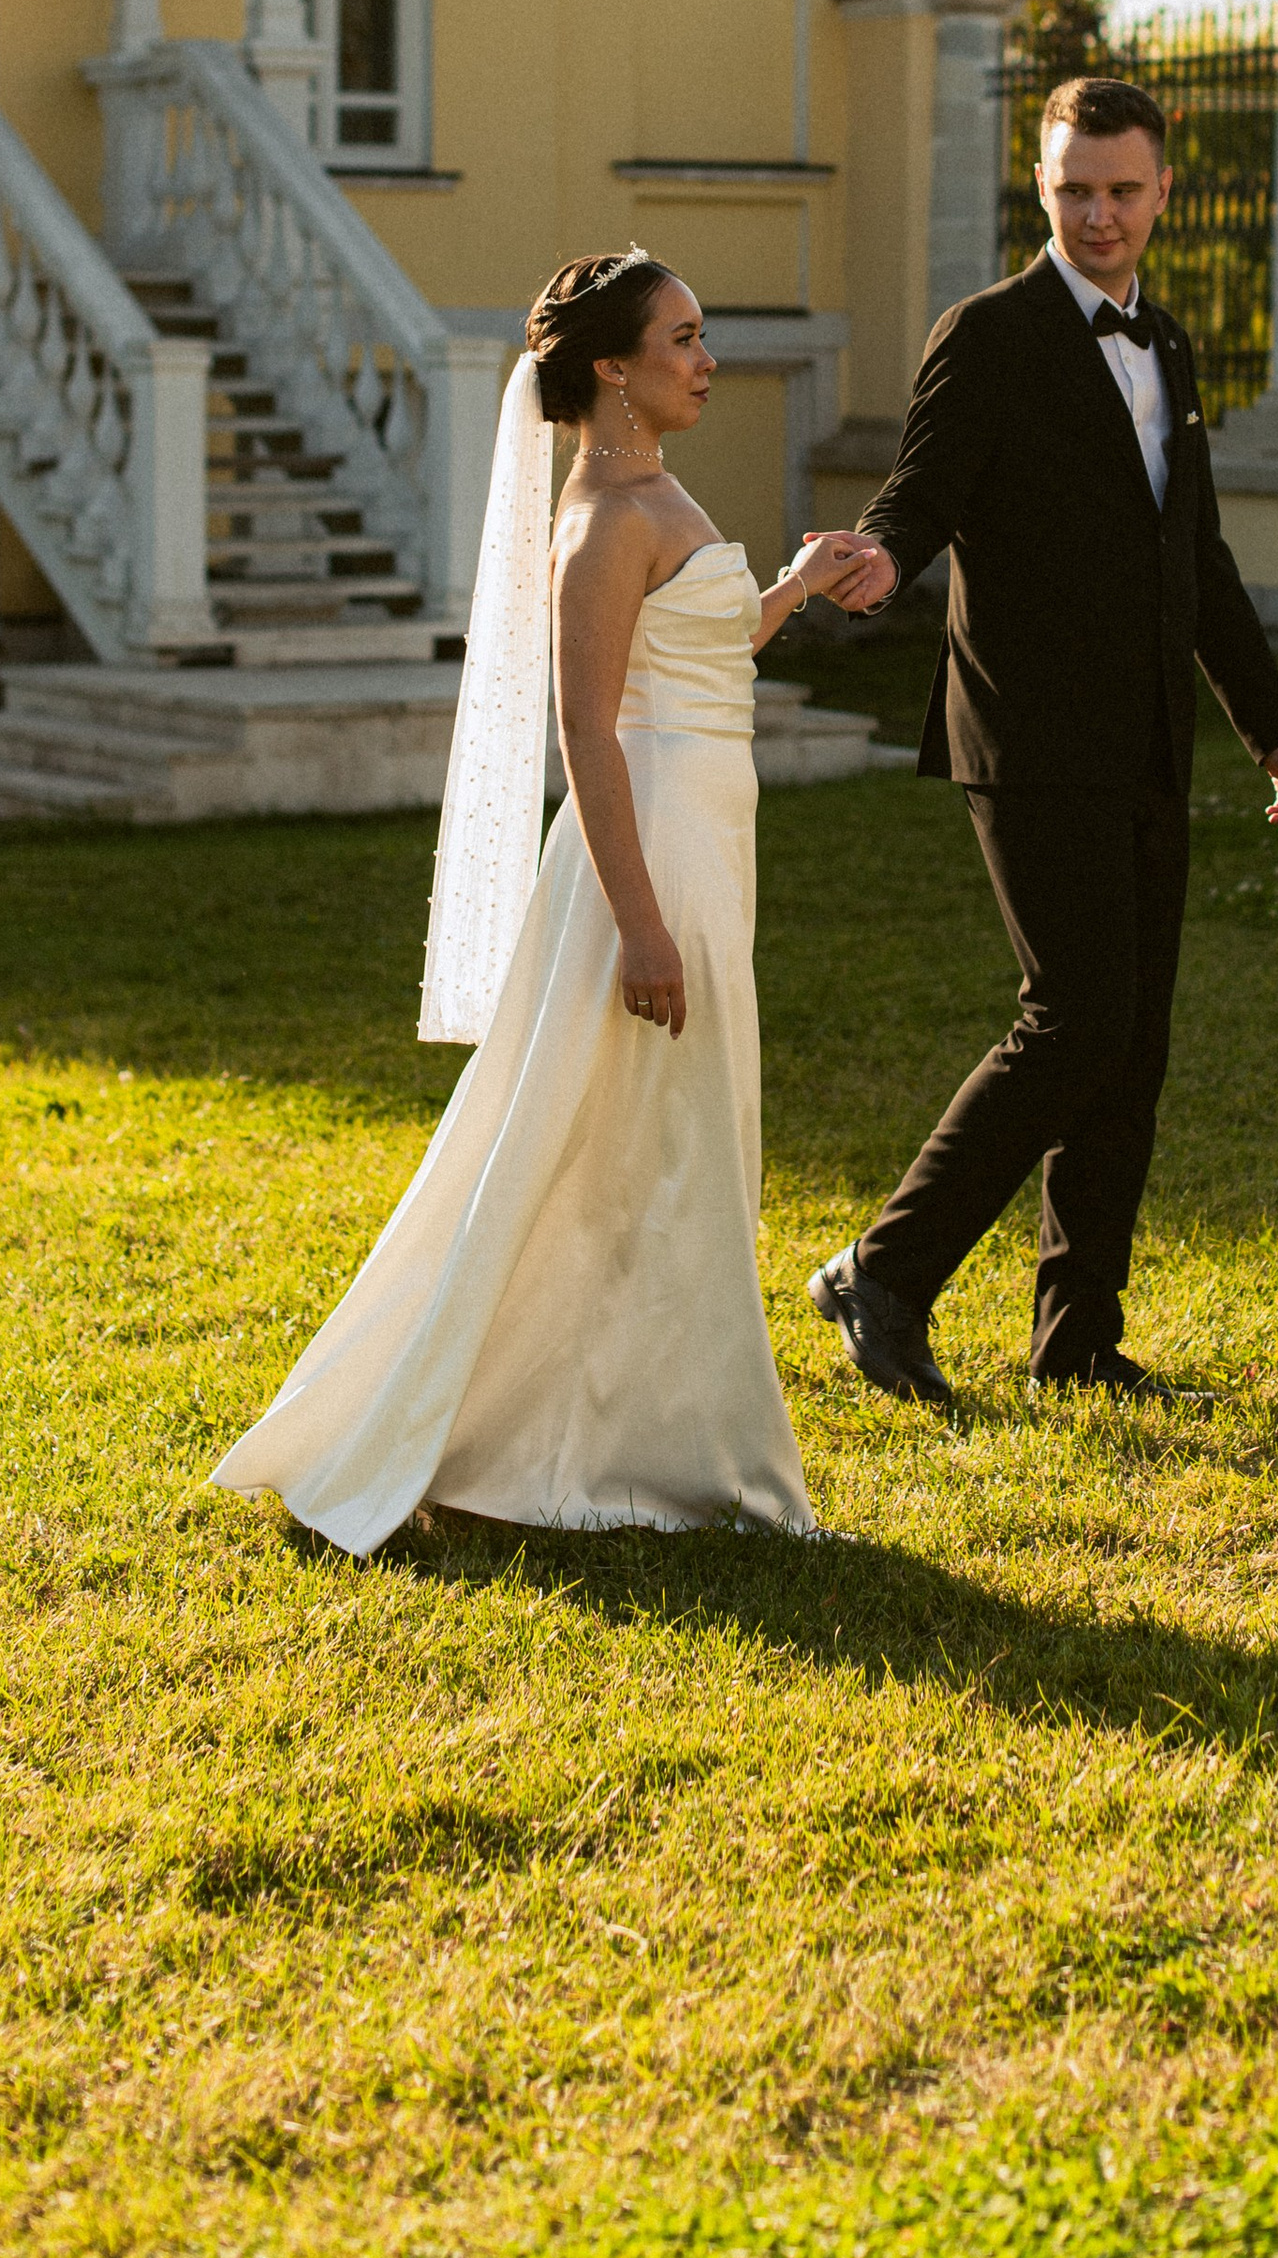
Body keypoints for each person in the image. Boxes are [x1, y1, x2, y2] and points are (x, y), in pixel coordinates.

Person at [212, 252, 863, 1550]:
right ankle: (639, 1452)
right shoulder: (603, 520)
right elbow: (591, 735)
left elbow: (692, 657)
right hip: (653, 857)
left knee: (661, 1148)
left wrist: (795, 587)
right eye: (683, 337)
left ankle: (645, 1430)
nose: (707, 357)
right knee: (609, 1148)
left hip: (705, 838)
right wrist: (638, 925)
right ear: (613, 367)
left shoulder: (655, 493)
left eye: (702, 332)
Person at [804, 78, 1278, 1402]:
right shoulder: (988, 334)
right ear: (1039, 187)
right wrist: (880, 558)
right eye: (1074, 188)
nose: (1099, 213)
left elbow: (1194, 559)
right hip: (1027, 734)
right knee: (1077, 1017)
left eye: (1123, 189)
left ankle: (1077, 1344)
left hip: (1148, 736)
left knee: (1131, 1041)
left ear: (1161, 194)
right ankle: (889, 1271)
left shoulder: (1173, 348)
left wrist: (1269, 727)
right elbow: (922, 491)